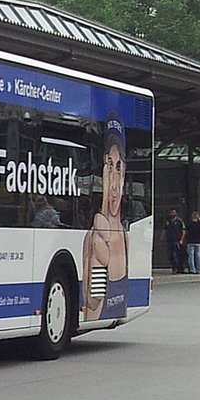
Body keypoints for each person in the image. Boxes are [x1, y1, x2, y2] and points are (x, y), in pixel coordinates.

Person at [82, 117, 129, 322]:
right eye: (109, 165)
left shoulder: (125, 238)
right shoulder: (94, 239)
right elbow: (91, 308)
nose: (114, 181)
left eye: (118, 167)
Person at [162, 208, 185, 274]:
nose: (171, 214)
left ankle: (177, 268)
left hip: (176, 240)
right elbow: (164, 229)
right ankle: (173, 267)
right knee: (170, 255)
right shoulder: (168, 221)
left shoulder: (179, 221)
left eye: (173, 212)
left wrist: (181, 239)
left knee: (175, 255)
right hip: (169, 240)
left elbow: (183, 230)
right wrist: (162, 236)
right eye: (171, 212)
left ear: (176, 213)